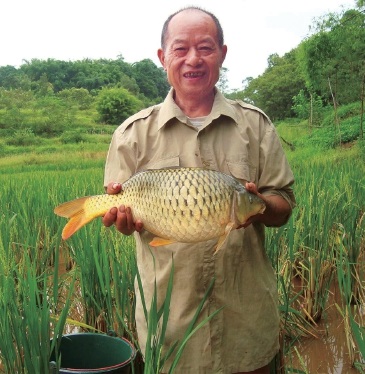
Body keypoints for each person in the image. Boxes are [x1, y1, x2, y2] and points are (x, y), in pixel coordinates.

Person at [103, 6, 295, 374]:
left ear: (223, 53)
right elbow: (119, 209)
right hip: (170, 330)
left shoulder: (255, 127)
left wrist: (258, 205)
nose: (194, 59)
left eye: (205, 48)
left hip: (247, 325)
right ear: (163, 57)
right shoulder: (132, 135)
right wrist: (123, 220)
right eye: (181, 49)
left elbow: (283, 204)